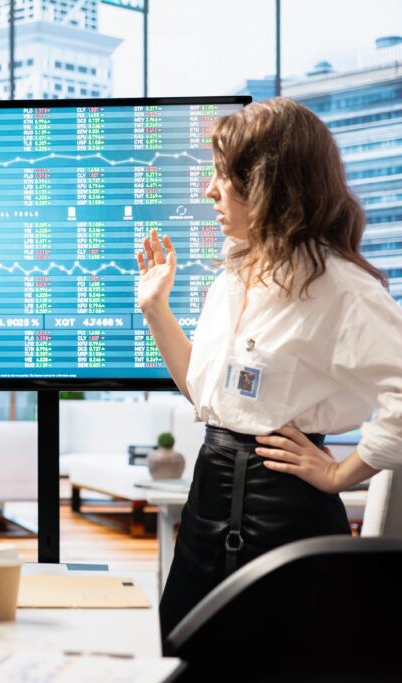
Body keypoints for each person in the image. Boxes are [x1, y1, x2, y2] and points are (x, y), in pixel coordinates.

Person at [136, 97, 402, 643]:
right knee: (181, 656)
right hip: (208, 495)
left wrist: (341, 473)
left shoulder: (344, 288)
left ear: (269, 184)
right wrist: (156, 312)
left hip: (286, 512)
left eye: (224, 176)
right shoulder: (232, 278)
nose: (209, 191)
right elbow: (211, 397)